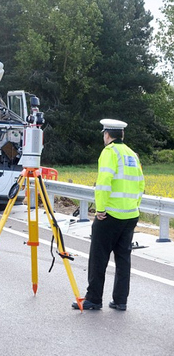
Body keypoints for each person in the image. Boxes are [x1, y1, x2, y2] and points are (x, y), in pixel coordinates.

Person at [73, 119, 145, 311]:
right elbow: (141, 185)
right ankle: (120, 300)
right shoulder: (132, 154)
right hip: (130, 215)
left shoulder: (109, 152)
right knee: (123, 259)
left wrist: (100, 209)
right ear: (123, 135)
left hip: (110, 214)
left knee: (98, 258)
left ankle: (94, 299)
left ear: (107, 135)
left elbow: (103, 181)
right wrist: (134, 207)